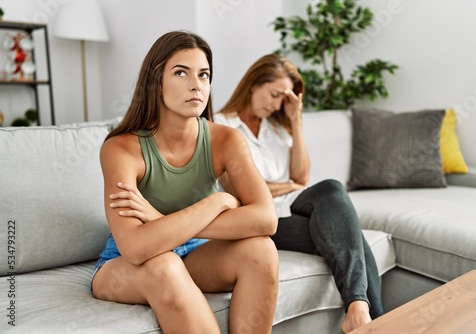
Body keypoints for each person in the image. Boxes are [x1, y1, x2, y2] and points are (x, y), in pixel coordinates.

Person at [91, 31, 280, 334]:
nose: (196, 85)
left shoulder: (226, 140)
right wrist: (216, 202)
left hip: (195, 253)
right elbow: (136, 248)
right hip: (126, 265)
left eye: (203, 75)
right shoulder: (121, 149)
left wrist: (161, 221)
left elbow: (265, 219)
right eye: (181, 72)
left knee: (262, 251)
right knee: (165, 266)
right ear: (156, 81)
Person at [215, 53, 384, 333]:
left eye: (284, 98)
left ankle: (359, 311)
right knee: (351, 237)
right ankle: (375, 323)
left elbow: (301, 176)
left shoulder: (276, 127)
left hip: (289, 206)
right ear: (253, 84)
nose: (277, 103)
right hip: (261, 218)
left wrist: (295, 121)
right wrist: (289, 187)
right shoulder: (222, 126)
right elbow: (243, 192)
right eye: (274, 94)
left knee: (334, 198)